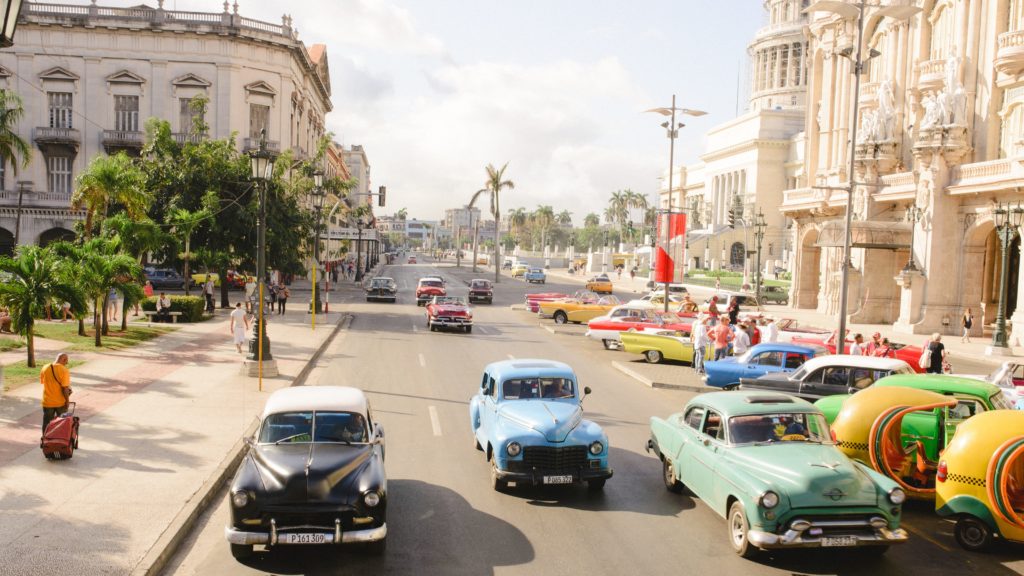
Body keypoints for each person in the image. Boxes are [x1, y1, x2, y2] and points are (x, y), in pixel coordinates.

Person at [40, 353, 72, 438]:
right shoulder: (64, 370)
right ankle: (59, 441)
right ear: (63, 360)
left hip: (47, 402)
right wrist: (67, 401)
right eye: (66, 361)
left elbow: (43, 382)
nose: (66, 363)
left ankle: (45, 440)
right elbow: (65, 388)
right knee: (61, 423)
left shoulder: (45, 367)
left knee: (47, 423)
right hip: (60, 403)